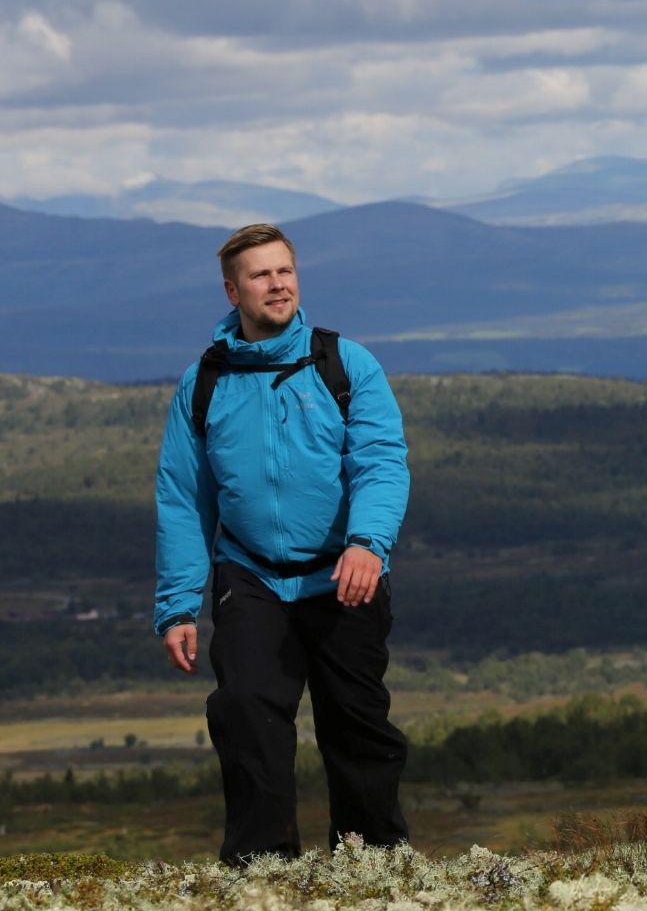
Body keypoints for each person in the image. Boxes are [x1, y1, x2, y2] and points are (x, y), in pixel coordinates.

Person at [153, 223, 411, 865]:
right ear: (232, 290)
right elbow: (185, 498)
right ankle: (263, 870)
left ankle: (372, 867)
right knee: (244, 715)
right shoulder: (204, 382)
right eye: (261, 274)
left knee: (356, 724)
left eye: (285, 271)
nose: (277, 283)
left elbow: (381, 461)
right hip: (251, 576)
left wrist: (367, 543)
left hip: (344, 574)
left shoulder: (344, 363)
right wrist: (179, 605)